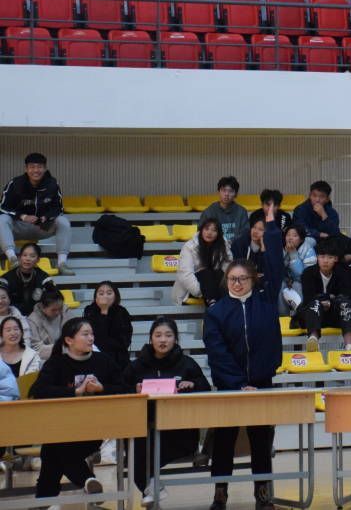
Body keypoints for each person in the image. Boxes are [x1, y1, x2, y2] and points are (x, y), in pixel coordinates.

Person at [202, 204, 284, 510]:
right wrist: (238, 384)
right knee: (224, 441)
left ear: (253, 279)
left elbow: (275, 262)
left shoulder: (266, 302)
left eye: (242, 279)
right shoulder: (217, 312)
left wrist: (271, 227)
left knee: (261, 440)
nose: (237, 283)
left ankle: (262, 493)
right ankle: (220, 493)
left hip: (261, 383)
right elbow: (217, 354)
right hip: (229, 387)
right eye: (232, 279)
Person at [30, 317, 125, 501]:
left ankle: (45, 500)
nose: (91, 338)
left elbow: (124, 387)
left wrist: (102, 388)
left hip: (95, 428)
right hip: (62, 426)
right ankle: (87, 481)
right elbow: (38, 391)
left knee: (52, 449)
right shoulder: (56, 363)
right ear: (69, 340)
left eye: (92, 334)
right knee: (55, 449)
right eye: (85, 334)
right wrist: (74, 392)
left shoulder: (104, 361)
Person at [124, 317, 212, 507]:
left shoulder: (187, 363)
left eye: (168, 335)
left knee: (143, 459)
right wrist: (134, 389)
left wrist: (193, 384)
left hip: (179, 430)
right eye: (158, 335)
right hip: (145, 429)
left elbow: (205, 388)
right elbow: (121, 390)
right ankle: (153, 488)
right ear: (151, 339)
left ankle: (151, 489)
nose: (163, 340)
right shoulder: (136, 365)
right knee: (136, 451)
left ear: (175, 339)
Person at [0, 153, 72, 275]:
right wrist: (23, 216)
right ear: (26, 169)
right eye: (32, 167)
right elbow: (3, 207)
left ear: (45, 168)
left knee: (63, 221)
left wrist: (46, 217)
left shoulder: (52, 184)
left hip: (42, 227)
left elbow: (58, 208)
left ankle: (62, 264)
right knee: (2, 219)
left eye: (39, 167)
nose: (36, 170)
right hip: (18, 227)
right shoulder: (15, 183)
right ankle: (13, 259)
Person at [294, 237, 351, 352]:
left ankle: (349, 343)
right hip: (312, 315)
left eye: (329, 257)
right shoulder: (308, 273)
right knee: (315, 304)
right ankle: (313, 339)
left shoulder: (343, 273)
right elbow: (309, 298)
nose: (325, 261)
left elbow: (346, 295)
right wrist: (329, 298)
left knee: (345, 303)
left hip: (334, 314)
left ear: (335, 259)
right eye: (322, 257)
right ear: (317, 257)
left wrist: (329, 301)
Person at [172, 218, 231, 305]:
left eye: (214, 230)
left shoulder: (223, 245)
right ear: (201, 230)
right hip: (193, 289)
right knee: (205, 273)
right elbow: (185, 274)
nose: (209, 233)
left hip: (215, 287)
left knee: (220, 272)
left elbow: (228, 269)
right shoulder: (189, 247)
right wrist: (202, 290)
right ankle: (213, 304)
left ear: (218, 233)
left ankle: (214, 304)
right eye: (206, 229)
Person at [84, 280, 133, 370]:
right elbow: (95, 340)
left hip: (118, 359)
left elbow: (124, 342)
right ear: (96, 297)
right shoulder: (89, 311)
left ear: (115, 296)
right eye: (101, 293)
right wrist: (104, 311)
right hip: (95, 358)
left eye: (109, 293)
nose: (105, 296)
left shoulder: (122, 312)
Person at [2, 242, 55, 316]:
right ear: (19, 258)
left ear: (38, 260)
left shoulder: (44, 277)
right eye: (24, 255)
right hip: (12, 316)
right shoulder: (7, 278)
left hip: (37, 316)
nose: (28, 259)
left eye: (32, 256)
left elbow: (55, 296)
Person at [26, 286, 75, 360]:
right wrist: (64, 348)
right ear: (42, 307)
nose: (58, 312)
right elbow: (36, 349)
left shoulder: (66, 312)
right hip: (46, 360)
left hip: (69, 355)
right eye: (53, 310)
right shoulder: (32, 320)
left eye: (60, 308)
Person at [198, 176, 248, 243]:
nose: (226, 194)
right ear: (218, 192)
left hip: (236, 247)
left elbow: (245, 234)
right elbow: (201, 233)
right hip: (215, 247)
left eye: (231, 191)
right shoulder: (209, 211)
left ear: (236, 194)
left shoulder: (242, 212)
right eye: (224, 190)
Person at [292, 181, 339, 251]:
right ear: (310, 196)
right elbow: (299, 229)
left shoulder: (332, 212)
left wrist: (324, 215)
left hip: (327, 241)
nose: (317, 200)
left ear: (327, 199)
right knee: (308, 242)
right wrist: (318, 234)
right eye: (314, 196)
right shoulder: (300, 209)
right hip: (308, 239)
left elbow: (335, 232)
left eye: (322, 197)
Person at [280, 225, 314, 313]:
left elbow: (305, 276)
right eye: (288, 235)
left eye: (295, 235)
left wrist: (293, 254)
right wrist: (284, 254)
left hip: (301, 282)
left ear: (301, 239)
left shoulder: (308, 250)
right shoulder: (281, 248)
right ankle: (283, 317)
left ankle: (298, 316)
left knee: (297, 288)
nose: (290, 238)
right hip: (285, 281)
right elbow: (276, 270)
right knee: (279, 286)